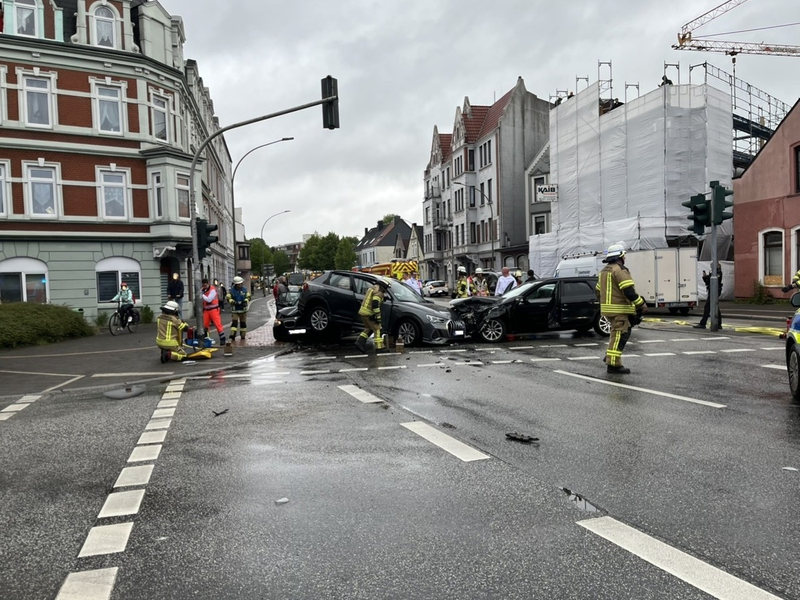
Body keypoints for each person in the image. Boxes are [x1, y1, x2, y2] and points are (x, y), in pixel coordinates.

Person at [596, 243, 646, 374]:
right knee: (620, 336)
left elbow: (598, 291)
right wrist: (641, 303)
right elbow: (628, 291)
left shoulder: (603, 271)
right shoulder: (620, 270)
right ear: (621, 256)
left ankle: (610, 357)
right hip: (619, 311)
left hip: (608, 310)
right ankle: (613, 364)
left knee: (616, 335)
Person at [355, 279, 388, 353]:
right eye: (385, 289)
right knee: (377, 329)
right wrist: (378, 318)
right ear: (383, 287)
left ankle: (360, 342)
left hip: (363, 312)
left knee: (368, 328)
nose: (385, 291)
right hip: (369, 313)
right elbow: (375, 305)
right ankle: (379, 348)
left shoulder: (372, 289)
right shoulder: (378, 293)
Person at [694, 264, 723, 329]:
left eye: (712, 265)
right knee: (715, 307)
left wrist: (709, 277)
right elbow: (708, 282)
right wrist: (705, 277)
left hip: (715, 291)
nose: (711, 267)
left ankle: (703, 323)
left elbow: (716, 281)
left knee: (707, 306)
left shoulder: (718, 272)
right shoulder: (712, 272)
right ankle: (718, 323)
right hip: (712, 291)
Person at [201, 278, 226, 346]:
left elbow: (209, 300)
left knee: (218, 324)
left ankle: (222, 338)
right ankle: (207, 339)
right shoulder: (203, 290)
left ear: (208, 283)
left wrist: (202, 295)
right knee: (205, 325)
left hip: (214, 309)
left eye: (205, 285)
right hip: (206, 310)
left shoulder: (213, 290)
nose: (204, 287)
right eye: (203, 285)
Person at [226, 276, 251, 340]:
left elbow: (248, 296)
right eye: (238, 284)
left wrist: (245, 301)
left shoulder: (244, 290)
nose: (239, 285)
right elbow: (228, 297)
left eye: (240, 283)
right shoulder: (232, 291)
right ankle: (233, 335)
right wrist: (232, 301)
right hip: (235, 310)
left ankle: (243, 335)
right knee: (234, 323)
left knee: (243, 324)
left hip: (243, 310)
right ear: (235, 284)